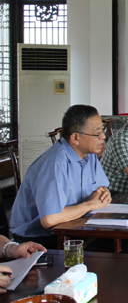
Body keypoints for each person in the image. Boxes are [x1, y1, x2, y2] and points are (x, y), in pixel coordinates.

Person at [10, 105, 112, 248]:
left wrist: (104, 194)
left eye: (103, 130)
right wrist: (91, 204)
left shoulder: (90, 155)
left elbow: (101, 188)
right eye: (97, 133)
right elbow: (49, 219)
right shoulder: (55, 162)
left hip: (73, 226)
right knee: (119, 247)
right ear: (76, 138)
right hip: (39, 240)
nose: (103, 137)